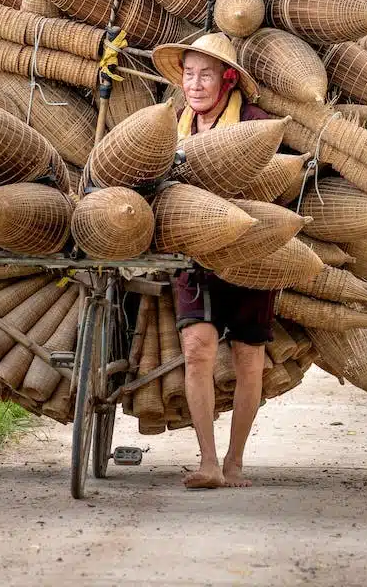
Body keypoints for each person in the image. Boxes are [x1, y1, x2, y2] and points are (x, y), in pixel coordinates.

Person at [151, 32, 275, 489]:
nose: (196, 85)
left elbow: (272, 183)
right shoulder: (171, 125)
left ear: (227, 80)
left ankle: (235, 461)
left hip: (249, 256)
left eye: (205, 75)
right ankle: (207, 460)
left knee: (248, 359)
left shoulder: (255, 123)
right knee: (197, 349)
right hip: (193, 257)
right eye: (188, 75)